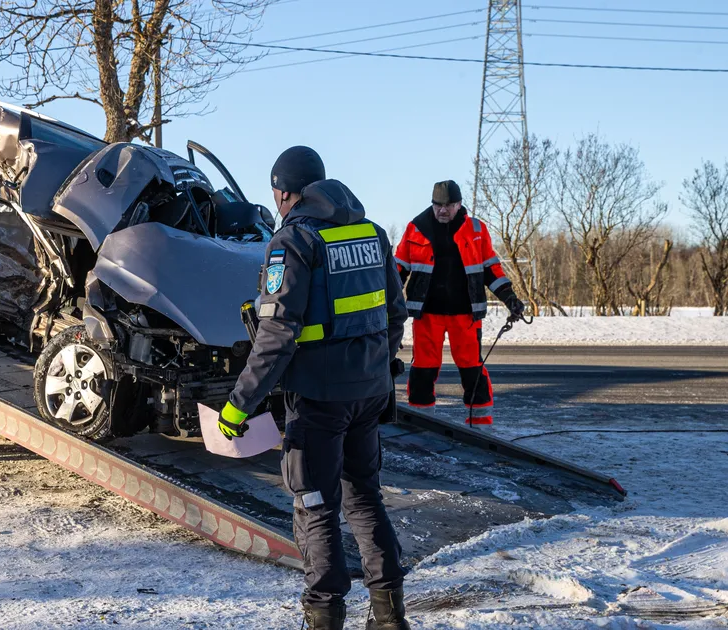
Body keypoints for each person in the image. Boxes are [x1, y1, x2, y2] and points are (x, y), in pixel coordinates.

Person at [219, 146, 410, 630]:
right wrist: (376, 366)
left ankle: (323, 617)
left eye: (276, 194)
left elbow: (276, 335)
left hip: (321, 399)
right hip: (370, 393)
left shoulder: (293, 242)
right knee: (364, 497)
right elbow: (394, 315)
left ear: (286, 192)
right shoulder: (371, 235)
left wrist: (237, 407)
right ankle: (390, 617)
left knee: (315, 504)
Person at [393, 180, 525, 425]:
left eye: (449, 205)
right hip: (427, 313)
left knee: (471, 366)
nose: (443, 210)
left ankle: (480, 421)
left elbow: (490, 269)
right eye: (438, 205)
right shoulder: (416, 228)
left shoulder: (476, 230)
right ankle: (422, 420)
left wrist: (510, 298)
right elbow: (398, 270)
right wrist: (387, 301)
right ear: (432, 205)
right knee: (423, 367)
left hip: (465, 314)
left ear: (459, 204)